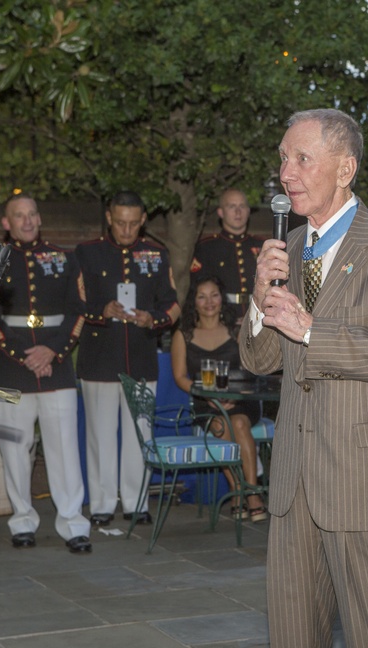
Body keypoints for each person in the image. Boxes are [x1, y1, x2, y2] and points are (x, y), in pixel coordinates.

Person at [240, 108, 368, 648]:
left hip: (365, 482)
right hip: (293, 483)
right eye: (283, 158)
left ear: (346, 167)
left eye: (302, 158)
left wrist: (312, 331)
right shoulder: (289, 248)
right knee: (293, 640)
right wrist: (260, 297)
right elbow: (258, 359)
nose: (286, 172)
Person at [0, 193, 92, 554]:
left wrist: (52, 351)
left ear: (39, 219)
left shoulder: (65, 258)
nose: (26, 221)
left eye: (32, 215)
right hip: (11, 368)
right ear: (6, 223)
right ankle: (22, 520)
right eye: (18, 216)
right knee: (15, 450)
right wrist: (20, 354)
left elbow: (79, 311)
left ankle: (73, 523)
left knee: (65, 449)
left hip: (55, 367)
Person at [75, 191, 180, 527]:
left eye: (134, 224)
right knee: (100, 436)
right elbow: (73, 303)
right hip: (99, 358)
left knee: (140, 435)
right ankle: (103, 505)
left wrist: (154, 319)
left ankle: (137, 502)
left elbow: (173, 304)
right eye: (120, 223)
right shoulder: (86, 253)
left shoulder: (157, 254)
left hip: (140, 357)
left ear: (144, 220)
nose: (126, 230)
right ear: (109, 217)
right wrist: (99, 311)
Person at [170, 274, 266, 522]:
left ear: (221, 299)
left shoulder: (237, 329)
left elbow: (256, 366)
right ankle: (237, 490)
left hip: (242, 399)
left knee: (239, 422)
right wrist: (209, 398)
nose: (209, 302)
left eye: (214, 295)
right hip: (205, 402)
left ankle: (251, 493)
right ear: (194, 301)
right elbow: (180, 377)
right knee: (222, 424)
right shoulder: (184, 335)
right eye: (202, 296)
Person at [190, 189, 263, 318]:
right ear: (220, 212)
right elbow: (197, 288)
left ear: (248, 211)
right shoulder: (207, 247)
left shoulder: (261, 246)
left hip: (258, 316)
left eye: (242, 206)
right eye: (232, 206)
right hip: (222, 318)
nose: (238, 211)